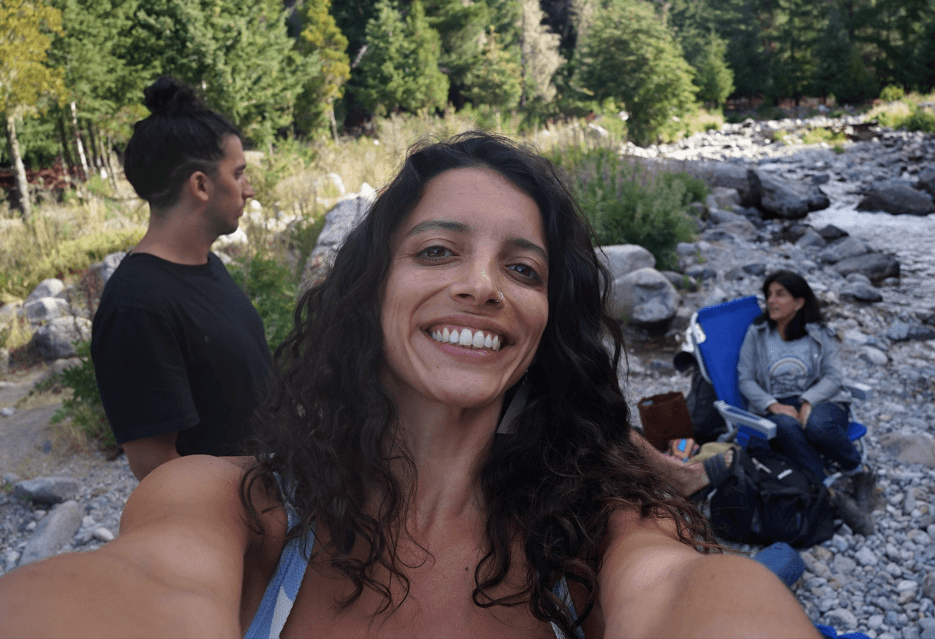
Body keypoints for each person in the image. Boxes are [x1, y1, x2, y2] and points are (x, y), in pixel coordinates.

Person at [0, 133, 819, 638]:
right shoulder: (227, 508)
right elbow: (145, 584)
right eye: (435, 251)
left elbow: (683, 593)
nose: (481, 285)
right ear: (370, 293)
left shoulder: (600, 531)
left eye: (522, 268)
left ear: (547, 323)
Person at [90, 76, 271, 481]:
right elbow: (156, 467)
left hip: (274, 503)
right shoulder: (137, 305)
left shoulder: (210, 266)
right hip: (229, 516)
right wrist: (270, 476)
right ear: (201, 185)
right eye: (238, 174)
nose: (249, 189)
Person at [738, 270, 864, 483]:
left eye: (780, 294)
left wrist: (808, 401)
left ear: (798, 302)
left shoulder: (819, 332)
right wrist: (772, 405)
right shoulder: (756, 333)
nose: (771, 300)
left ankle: (855, 469)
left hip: (822, 399)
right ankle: (821, 487)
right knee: (788, 427)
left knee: (818, 426)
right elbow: (745, 379)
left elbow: (834, 376)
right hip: (776, 403)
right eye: (769, 294)